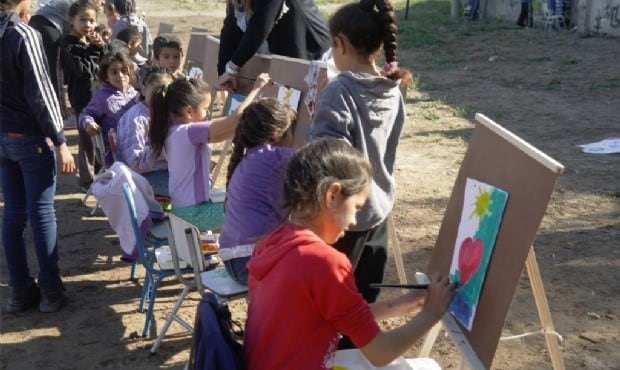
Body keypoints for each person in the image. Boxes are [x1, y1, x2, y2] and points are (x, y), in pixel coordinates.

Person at [244, 139, 455, 369]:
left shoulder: (273, 241)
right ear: (332, 194)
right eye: (356, 207)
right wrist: (432, 314)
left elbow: (343, 315)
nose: (354, 221)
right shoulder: (324, 263)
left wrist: (402, 304)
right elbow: (380, 352)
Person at [311, 0, 412, 315]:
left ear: (339, 43)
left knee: (332, 306)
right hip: (379, 212)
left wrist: (316, 104)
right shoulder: (394, 89)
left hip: (344, 219)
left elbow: (326, 156)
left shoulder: (338, 90)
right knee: (363, 308)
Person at [1, 0, 76, 313]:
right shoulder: (22, 33)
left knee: (14, 212)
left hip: (2, 138)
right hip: (29, 137)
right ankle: (50, 290)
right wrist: (60, 140)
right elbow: (41, 91)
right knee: (41, 212)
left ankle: (20, 290)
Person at [149, 74, 271, 232]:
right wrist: (257, 88)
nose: (207, 114)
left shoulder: (175, 131)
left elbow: (226, 130)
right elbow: (236, 119)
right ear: (188, 112)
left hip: (184, 210)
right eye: (206, 109)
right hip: (194, 214)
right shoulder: (189, 132)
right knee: (254, 208)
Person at [218, 98, 297, 285]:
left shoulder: (250, 158)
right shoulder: (276, 157)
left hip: (233, 262)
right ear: (278, 134)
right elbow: (321, 156)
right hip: (250, 262)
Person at [216, 0, 330, 91]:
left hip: (311, 50)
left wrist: (232, 68)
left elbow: (260, 26)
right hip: (283, 51)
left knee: (301, 109)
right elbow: (230, 29)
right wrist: (223, 72)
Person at [59, 0, 106, 190]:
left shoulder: (89, 41)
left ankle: (101, 173)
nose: (88, 25)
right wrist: (95, 50)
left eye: (92, 21)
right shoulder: (68, 44)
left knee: (99, 137)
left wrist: (102, 47)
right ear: (72, 20)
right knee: (87, 139)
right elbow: (82, 70)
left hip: (98, 95)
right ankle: (88, 180)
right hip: (82, 98)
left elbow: (104, 65)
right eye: (83, 20)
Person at [116, 66, 172, 196]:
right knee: (190, 187)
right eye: (156, 92)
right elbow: (136, 165)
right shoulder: (137, 119)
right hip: (141, 178)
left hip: (164, 170)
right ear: (144, 90)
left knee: (201, 181)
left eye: (166, 92)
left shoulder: (166, 114)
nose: (161, 96)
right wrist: (158, 143)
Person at [79, 51, 139, 166]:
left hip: (138, 148)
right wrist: (88, 123)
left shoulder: (137, 95)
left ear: (130, 71)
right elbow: (85, 114)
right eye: (114, 72)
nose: (120, 76)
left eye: (124, 70)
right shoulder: (102, 97)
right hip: (116, 155)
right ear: (106, 76)